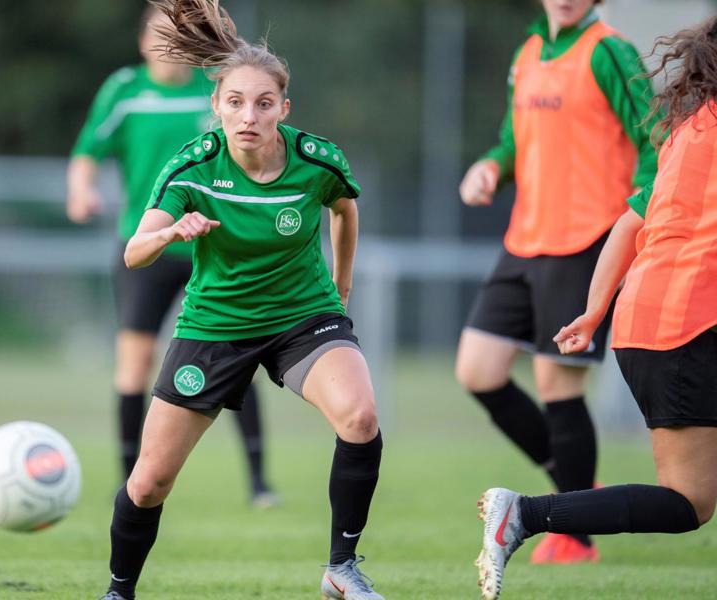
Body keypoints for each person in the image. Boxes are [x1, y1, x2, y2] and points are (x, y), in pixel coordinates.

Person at [98, 1, 385, 599]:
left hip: (303, 316)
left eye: (262, 103)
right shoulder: (196, 165)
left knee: (359, 417)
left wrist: (344, 285)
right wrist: (171, 232)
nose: (248, 115)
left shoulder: (316, 161)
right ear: (217, 108)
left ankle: (342, 567)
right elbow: (134, 251)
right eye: (235, 103)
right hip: (216, 324)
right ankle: (119, 590)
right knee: (148, 482)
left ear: (284, 107)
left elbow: (344, 209)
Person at [476, 18, 717, 600]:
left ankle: (527, 515)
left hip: (649, 321)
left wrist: (592, 311)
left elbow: (632, 219)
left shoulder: (690, 130)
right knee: (688, 500)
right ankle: (527, 516)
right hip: (687, 327)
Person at [455, 0, 658, 564]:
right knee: (477, 370)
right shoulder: (528, 53)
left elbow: (656, 142)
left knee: (557, 385)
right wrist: (492, 167)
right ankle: (577, 490)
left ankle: (575, 535)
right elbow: (512, 142)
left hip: (588, 240)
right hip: (525, 239)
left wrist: (637, 213)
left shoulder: (610, 51)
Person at [68, 5, 276, 505]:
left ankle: (259, 482)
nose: (169, 43)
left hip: (216, 242)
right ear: (142, 43)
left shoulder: (215, 91)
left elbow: (254, 109)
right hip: (150, 244)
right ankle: (131, 480)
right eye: (161, 34)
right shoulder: (125, 90)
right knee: (134, 364)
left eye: (179, 34)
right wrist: (81, 190)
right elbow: (86, 153)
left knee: (237, 356)